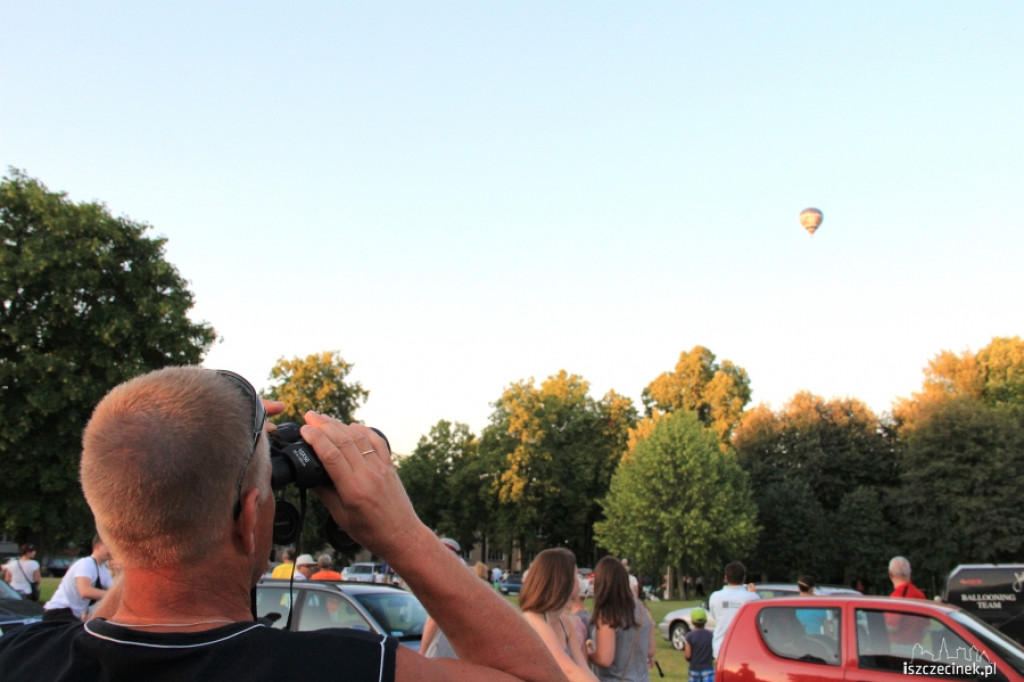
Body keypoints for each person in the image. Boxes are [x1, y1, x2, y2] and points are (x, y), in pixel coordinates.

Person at [0, 367, 563, 682]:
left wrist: (201, 455)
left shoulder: (25, 656)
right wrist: (402, 533)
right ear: (250, 518)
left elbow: (141, 549)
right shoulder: (340, 670)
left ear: (108, 519)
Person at [520, 548, 599, 682]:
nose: (579, 582)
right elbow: (567, 670)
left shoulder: (565, 623)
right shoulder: (534, 620)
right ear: (562, 582)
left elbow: (583, 668)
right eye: (575, 576)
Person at [589, 556, 656, 682]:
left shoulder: (608, 614)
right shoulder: (643, 609)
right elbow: (650, 650)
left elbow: (604, 659)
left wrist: (588, 653)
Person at [41, 536, 112, 622]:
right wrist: (111, 595)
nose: (112, 551)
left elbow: (113, 591)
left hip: (73, 615)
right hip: (58, 612)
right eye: (109, 547)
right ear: (97, 547)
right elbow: (85, 591)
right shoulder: (86, 564)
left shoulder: (104, 571)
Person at [708, 561, 759, 658]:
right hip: (744, 650)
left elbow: (714, 616)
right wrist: (753, 593)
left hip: (720, 648)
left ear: (726, 578)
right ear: (743, 578)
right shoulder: (752, 597)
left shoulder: (715, 596)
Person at [886, 555, 927, 654]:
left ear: (891, 574)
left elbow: (893, 627)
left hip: (899, 648)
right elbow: (926, 627)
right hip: (917, 648)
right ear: (910, 572)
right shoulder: (920, 595)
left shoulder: (897, 596)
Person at [684, 607, 713, 682]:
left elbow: (688, 655)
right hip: (708, 669)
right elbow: (714, 653)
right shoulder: (711, 635)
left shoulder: (689, 636)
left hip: (694, 669)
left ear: (692, 621)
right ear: (706, 620)